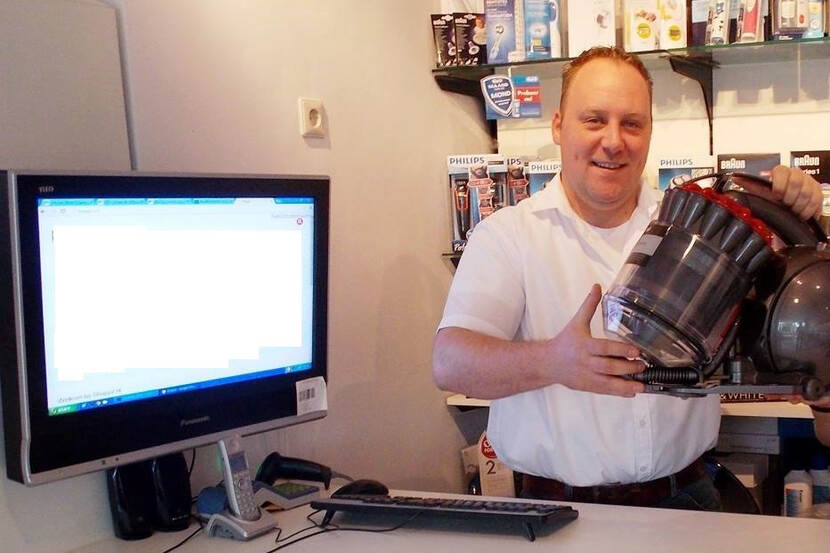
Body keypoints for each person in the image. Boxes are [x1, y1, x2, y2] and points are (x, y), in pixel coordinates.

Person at [432, 46, 825, 510]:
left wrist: (801, 217)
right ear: (558, 126)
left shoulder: (702, 230)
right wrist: (554, 362)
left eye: (632, 124)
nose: (614, 141)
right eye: (594, 120)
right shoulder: (509, 236)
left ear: (650, 132)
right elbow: (451, 364)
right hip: (558, 510)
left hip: (688, 501)